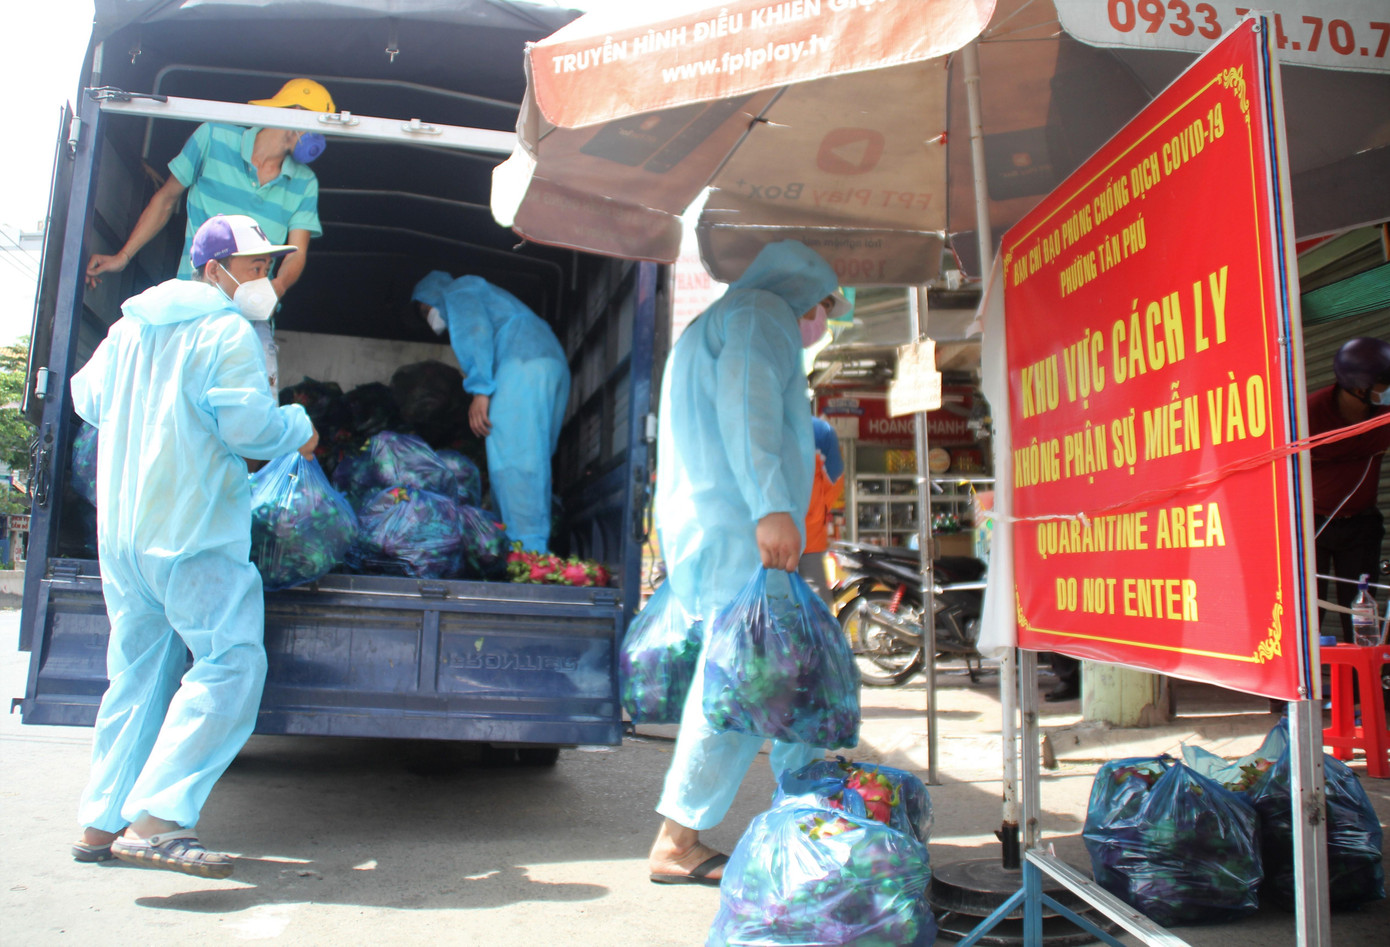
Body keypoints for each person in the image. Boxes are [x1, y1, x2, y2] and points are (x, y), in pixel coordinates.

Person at [69, 214, 319, 878]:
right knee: (231, 663)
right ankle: (160, 818)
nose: (262, 279)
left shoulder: (127, 329)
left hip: (124, 537)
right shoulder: (224, 330)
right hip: (192, 529)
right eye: (253, 266)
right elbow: (248, 429)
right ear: (212, 270)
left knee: (137, 674)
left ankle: (100, 822)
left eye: (268, 265)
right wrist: (296, 423)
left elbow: (86, 400)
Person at [647, 240, 846, 886]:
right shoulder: (762, 315)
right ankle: (681, 836)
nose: (819, 316)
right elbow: (750, 410)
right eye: (821, 302)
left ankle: (810, 808)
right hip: (742, 526)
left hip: (715, 528)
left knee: (781, 672)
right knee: (749, 677)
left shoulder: (716, 322)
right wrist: (771, 505)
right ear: (799, 285)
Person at [85, 78, 337, 390]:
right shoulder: (213, 136)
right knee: (174, 396)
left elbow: (297, 252)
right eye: (319, 125)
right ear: (295, 114)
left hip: (250, 315)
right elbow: (166, 200)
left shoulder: (304, 182)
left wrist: (276, 288)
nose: (321, 137)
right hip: (192, 303)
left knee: (245, 409)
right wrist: (122, 258)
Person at [412, 271, 570, 552]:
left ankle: (528, 553)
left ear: (433, 296)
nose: (430, 319)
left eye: (427, 310)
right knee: (535, 458)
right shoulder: (493, 298)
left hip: (521, 365)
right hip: (551, 363)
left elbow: (475, 331)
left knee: (514, 461)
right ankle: (528, 544)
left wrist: (480, 390)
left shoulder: (458, 290)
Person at [1309, 336, 1390, 641]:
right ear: (1360, 389)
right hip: (1312, 524)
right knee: (1308, 614)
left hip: (1361, 526)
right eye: (1384, 384)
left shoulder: (1384, 415)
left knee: (1359, 615)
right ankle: (1303, 687)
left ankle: (1363, 686)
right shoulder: (1309, 414)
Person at [799, 415, 846, 606]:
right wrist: (815, 511)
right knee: (816, 612)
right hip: (809, 539)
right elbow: (835, 480)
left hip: (763, 539)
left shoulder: (754, 419)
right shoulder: (820, 430)